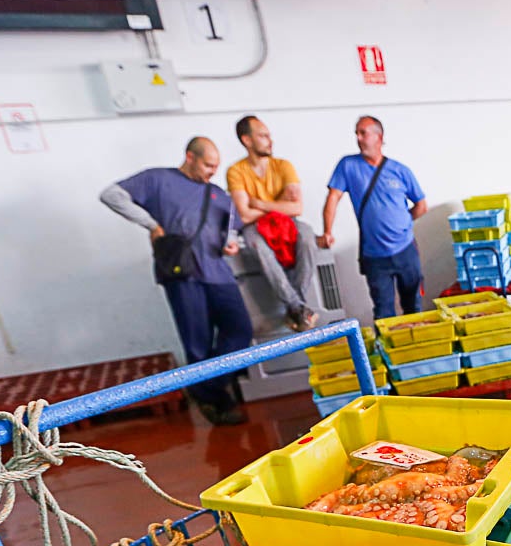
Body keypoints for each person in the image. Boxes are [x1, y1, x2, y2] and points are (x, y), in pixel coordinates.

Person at [100, 137, 252, 425]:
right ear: (190, 157)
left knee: (240, 332)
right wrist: (152, 224)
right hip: (183, 274)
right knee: (197, 344)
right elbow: (111, 195)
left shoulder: (217, 193)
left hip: (219, 273)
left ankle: (203, 389)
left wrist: (231, 241)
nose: (212, 172)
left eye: (216, 167)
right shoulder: (158, 180)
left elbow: (234, 225)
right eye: (208, 165)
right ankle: (216, 403)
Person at [321, 116, 429, 319]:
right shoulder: (348, 165)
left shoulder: (399, 170)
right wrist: (327, 231)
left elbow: (421, 206)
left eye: (363, 133)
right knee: (383, 311)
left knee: (413, 307)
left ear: (379, 137)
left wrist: (402, 223)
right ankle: (387, 351)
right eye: (357, 133)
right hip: (374, 255)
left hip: (406, 250)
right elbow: (333, 197)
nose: (358, 138)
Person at [227, 115, 317, 331]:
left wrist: (258, 202)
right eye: (263, 136)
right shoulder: (236, 171)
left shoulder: (284, 166)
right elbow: (245, 216)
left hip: (287, 223)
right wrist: (279, 202)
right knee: (257, 246)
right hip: (255, 228)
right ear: (247, 140)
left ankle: (296, 308)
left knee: (306, 235)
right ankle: (298, 306)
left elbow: (296, 209)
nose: (270, 140)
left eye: (269, 135)